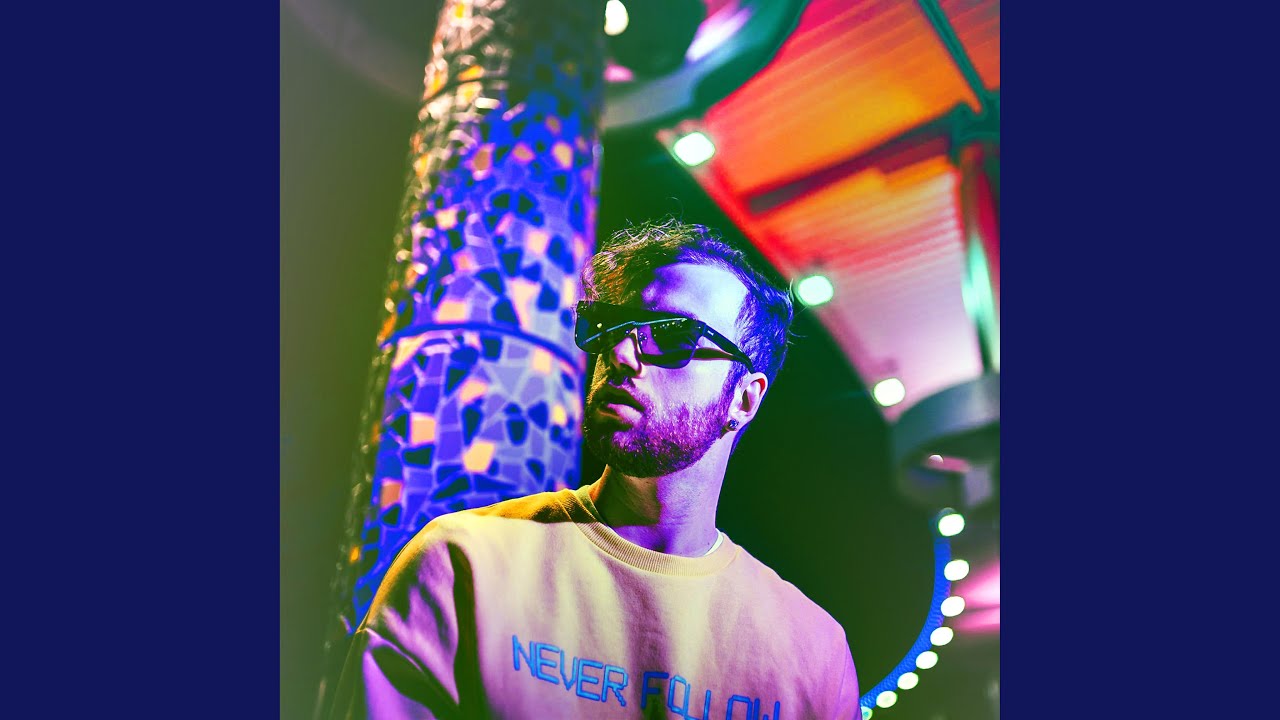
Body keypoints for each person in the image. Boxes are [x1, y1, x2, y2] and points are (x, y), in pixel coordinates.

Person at [330, 218, 860, 719]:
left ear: (744, 399)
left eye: (672, 334)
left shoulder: (815, 655)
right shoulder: (462, 564)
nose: (622, 353)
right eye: (609, 327)